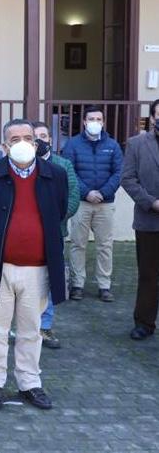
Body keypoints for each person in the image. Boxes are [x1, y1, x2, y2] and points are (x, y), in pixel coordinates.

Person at [0, 119, 68, 410]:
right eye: (15, 139)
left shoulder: (55, 175)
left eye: (28, 137)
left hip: (37, 269)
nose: (23, 143)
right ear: (4, 146)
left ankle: (29, 383)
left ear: (36, 144)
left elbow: (59, 212)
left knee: (30, 330)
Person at [62, 106, 123, 302]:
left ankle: (104, 285)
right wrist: (87, 192)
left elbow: (118, 173)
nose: (95, 122)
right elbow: (69, 172)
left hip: (105, 204)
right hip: (81, 202)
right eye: (91, 119)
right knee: (78, 244)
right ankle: (77, 284)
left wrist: (103, 193)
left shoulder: (113, 145)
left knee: (105, 245)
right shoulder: (72, 145)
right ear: (84, 122)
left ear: (103, 122)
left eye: (99, 119)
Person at [33, 121, 80, 349]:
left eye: (43, 135)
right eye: (35, 136)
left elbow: (72, 198)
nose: (40, 140)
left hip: (54, 233)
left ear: (50, 139)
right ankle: (24, 326)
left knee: (49, 279)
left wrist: (53, 221)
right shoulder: (21, 164)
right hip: (26, 235)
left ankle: (45, 325)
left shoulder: (63, 165)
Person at [120, 99, 159, 340]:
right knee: (149, 275)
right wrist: (151, 202)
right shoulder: (136, 144)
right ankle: (144, 322)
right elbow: (128, 179)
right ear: (153, 118)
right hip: (149, 221)